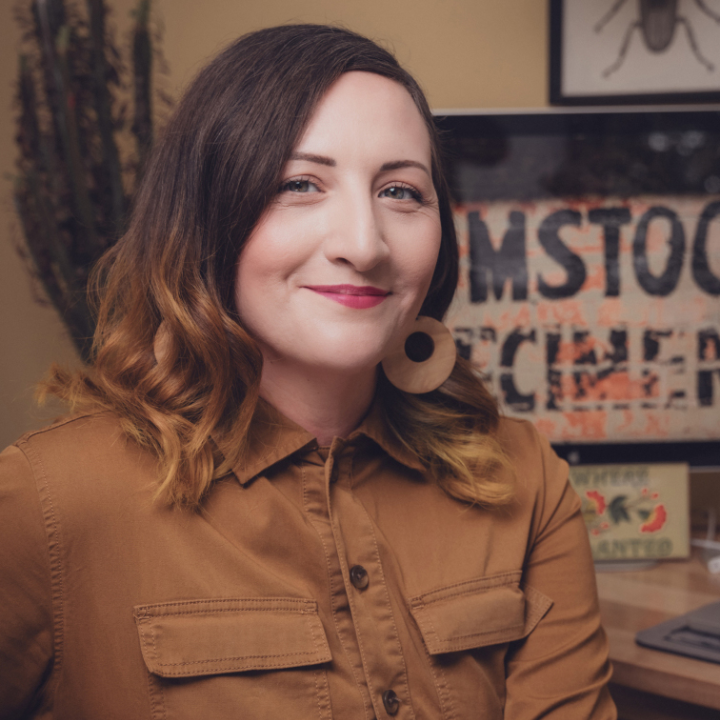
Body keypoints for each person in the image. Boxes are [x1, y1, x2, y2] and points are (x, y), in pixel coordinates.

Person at [0, 24, 616, 720]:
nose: (364, 243)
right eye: (299, 183)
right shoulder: (50, 502)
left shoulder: (524, 476)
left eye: (402, 192)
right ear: (206, 219)